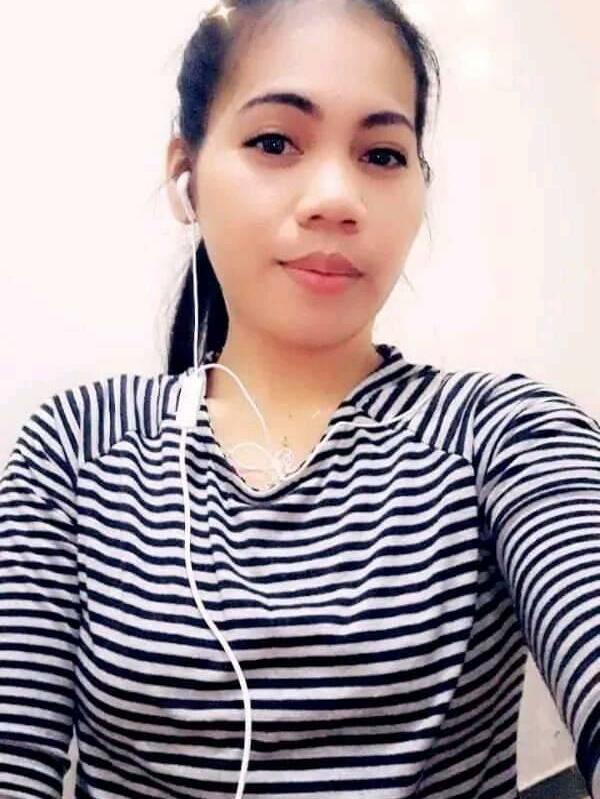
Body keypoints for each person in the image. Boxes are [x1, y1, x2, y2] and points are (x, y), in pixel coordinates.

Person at [1, 1, 598, 798]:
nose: (336, 197)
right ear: (185, 175)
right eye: (275, 142)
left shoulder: (503, 437)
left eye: (382, 154)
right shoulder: (76, 449)